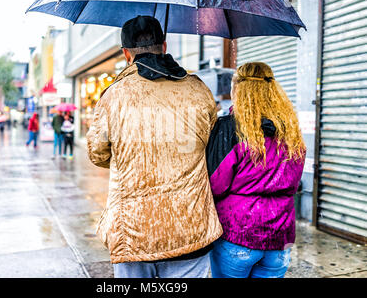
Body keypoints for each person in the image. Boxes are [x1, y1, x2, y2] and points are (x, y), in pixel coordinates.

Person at [86, 15, 222, 278]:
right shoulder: (199, 89)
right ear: (165, 46)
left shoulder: (113, 95)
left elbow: (97, 153)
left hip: (133, 232)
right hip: (190, 227)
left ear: (126, 54)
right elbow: (211, 144)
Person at [206, 62, 306, 278]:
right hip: (280, 237)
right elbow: (295, 181)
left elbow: (216, 184)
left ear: (238, 90)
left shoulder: (230, 128)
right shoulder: (291, 131)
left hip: (238, 234)